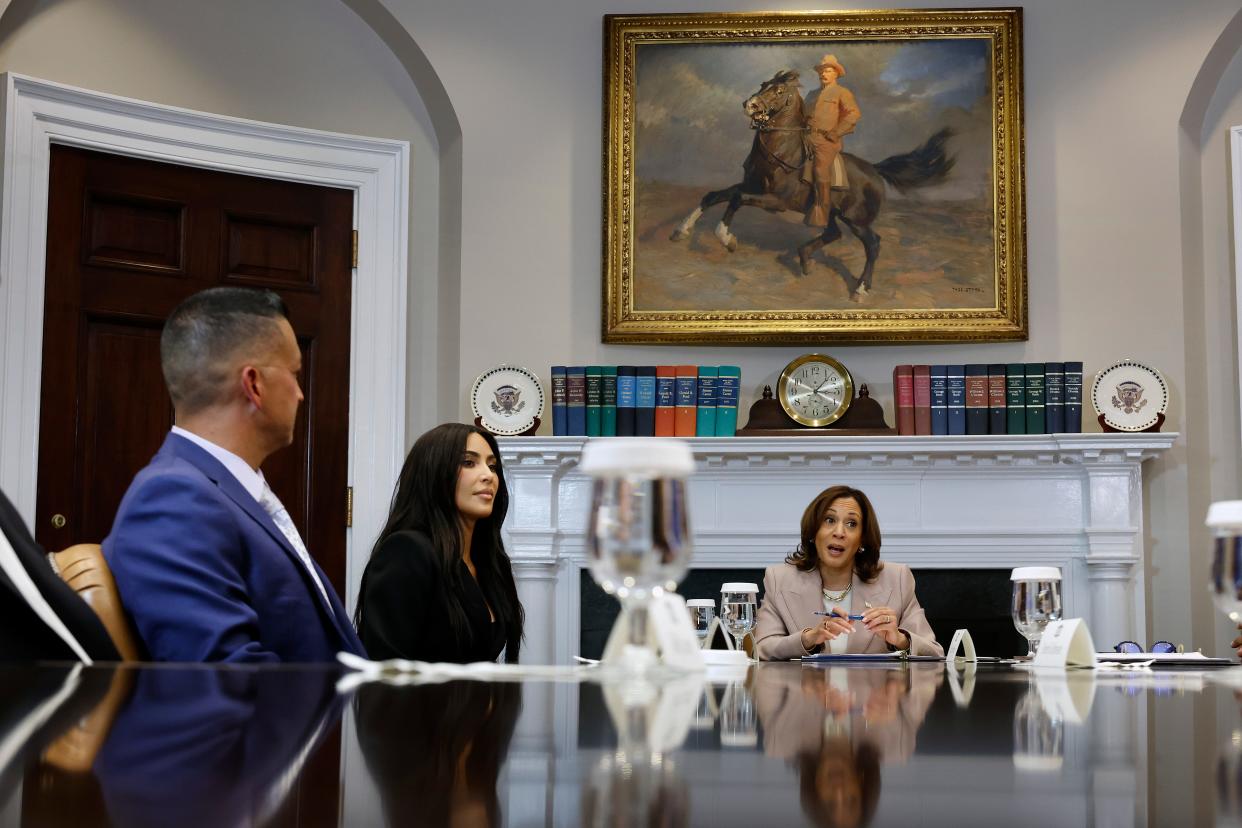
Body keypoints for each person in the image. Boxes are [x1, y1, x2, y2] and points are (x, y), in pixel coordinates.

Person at [103, 287, 365, 662]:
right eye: (294, 373)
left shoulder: (225, 493)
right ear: (254, 384)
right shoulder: (172, 500)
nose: (301, 394)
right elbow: (229, 679)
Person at [355, 423, 524, 663]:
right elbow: (386, 671)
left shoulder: (491, 562)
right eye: (468, 462)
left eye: (493, 465)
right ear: (434, 472)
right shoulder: (406, 551)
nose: (489, 475)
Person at [754, 485, 942, 660]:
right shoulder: (779, 579)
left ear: (862, 539)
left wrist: (900, 640)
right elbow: (762, 648)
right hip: (806, 694)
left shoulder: (897, 578)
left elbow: (934, 652)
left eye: (851, 524)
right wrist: (809, 638)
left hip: (875, 695)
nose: (839, 532)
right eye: (829, 520)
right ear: (813, 531)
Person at [803, 54, 861, 227]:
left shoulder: (842, 92)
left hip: (826, 141)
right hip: (806, 136)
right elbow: (803, 115)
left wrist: (837, 132)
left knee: (820, 169)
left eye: (827, 71)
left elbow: (854, 114)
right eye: (821, 71)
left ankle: (822, 210)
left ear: (836, 73)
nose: (823, 74)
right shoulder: (812, 94)